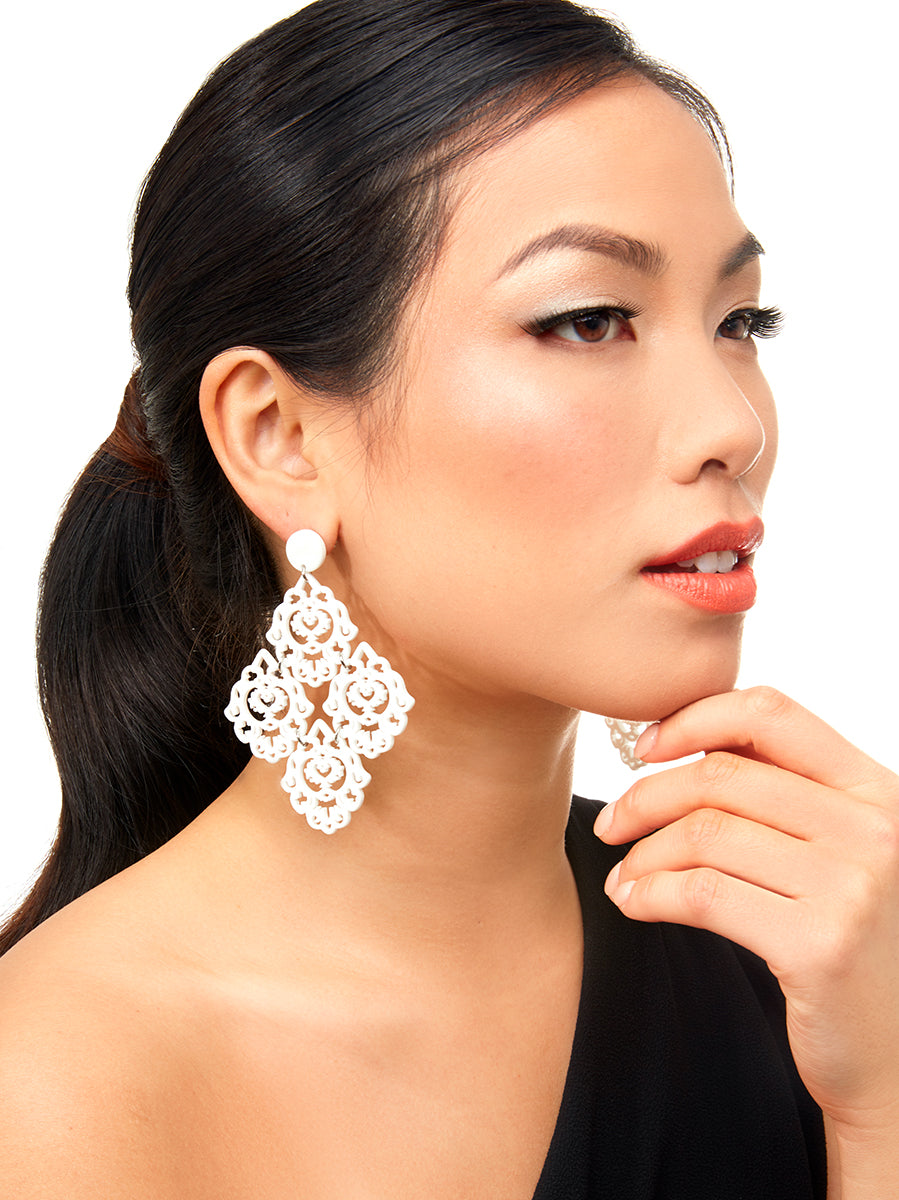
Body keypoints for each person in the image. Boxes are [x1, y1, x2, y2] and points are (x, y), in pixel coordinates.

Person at [1, 0, 897, 1194]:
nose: (731, 425)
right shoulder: (58, 1085)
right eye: (587, 321)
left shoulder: (812, 964)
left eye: (739, 320)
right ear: (277, 436)